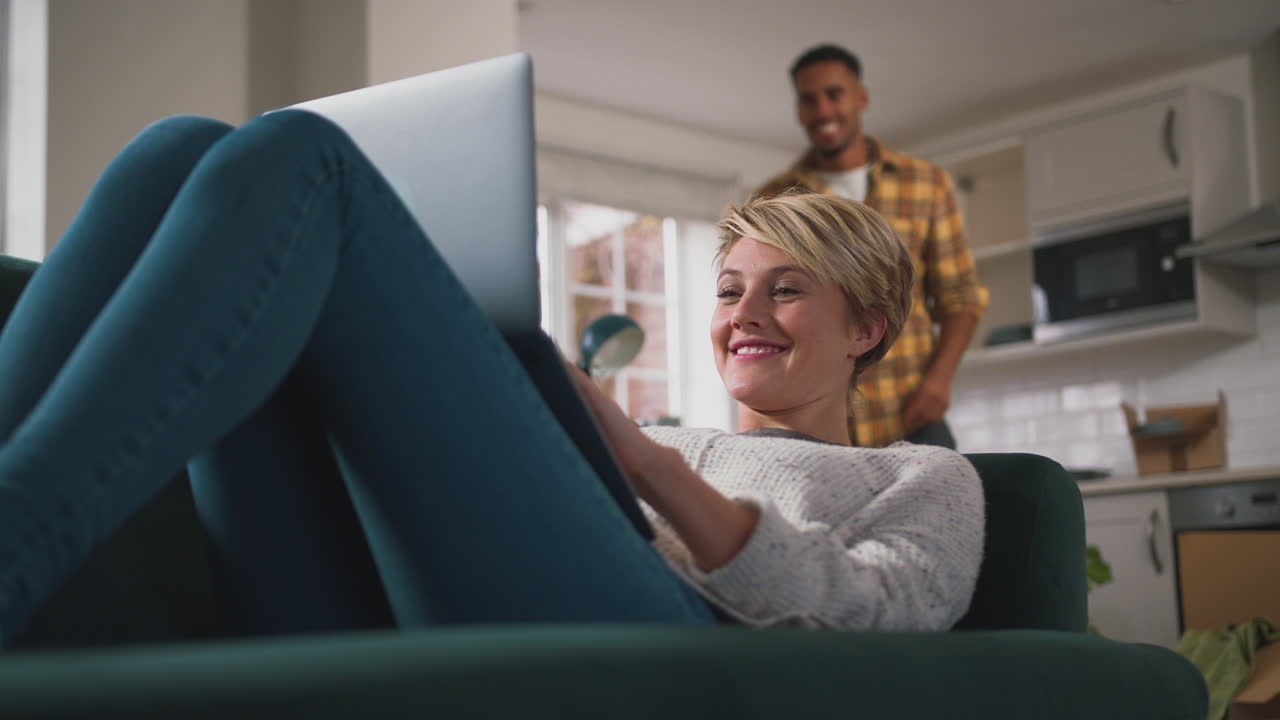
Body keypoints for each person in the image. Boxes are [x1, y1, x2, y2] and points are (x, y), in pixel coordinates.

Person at [0, 109, 983, 646]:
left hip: (659, 643)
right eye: (729, 290)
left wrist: (648, 467)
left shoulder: (921, 477)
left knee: (308, 159)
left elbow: (876, 622)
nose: (744, 314)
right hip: (394, 592)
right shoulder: (670, 436)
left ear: (867, 327)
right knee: (175, 150)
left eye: (787, 290)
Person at [756, 43, 990, 450]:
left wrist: (938, 381)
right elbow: (769, 309)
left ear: (861, 98)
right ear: (798, 110)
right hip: (818, 424)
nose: (823, 111)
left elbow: (960, 296)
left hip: (913, 416)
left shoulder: (926, 184)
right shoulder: (776, 201)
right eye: (809, 100)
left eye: (834, 94)